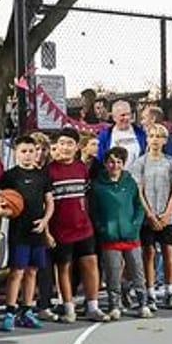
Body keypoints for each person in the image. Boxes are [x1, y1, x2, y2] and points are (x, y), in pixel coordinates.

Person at [0, 136, 53, 331]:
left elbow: (50, 202)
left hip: (36, 230)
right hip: (18, 231)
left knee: (32, 271)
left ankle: (27, 310)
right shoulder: (10, 176)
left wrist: (45, 221)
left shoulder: (42, 176)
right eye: (23, 151)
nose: (28, 155)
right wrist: (3, 210)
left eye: (31, 151)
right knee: (17, 271)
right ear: (16, 153)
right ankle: (9, 311)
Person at [91, 147, 149, 320]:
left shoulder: (130, 183)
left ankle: (143, 303)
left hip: (131, 236)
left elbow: (139, 206)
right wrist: (102, 229)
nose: (115, 165)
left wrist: (135, 226)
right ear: (105, 163)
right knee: (113, 273)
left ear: (123, 164)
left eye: (118, 162)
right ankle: (114, 305)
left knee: (137, 271)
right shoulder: (97, 186)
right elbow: (94, 211)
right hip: (110, 238)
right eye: (111, 162)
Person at [47, 129, 98, 323]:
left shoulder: (81, 168)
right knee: (64, 267)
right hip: (60, 229)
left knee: (90, 263)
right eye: (62, 143)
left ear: (77, 147)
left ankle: (92, 306)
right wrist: (47, 231)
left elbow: (85, 196)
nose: (65, 147)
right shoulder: (49, 171)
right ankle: (68, 307)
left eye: (70, 144)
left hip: (83, 226)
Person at [132, 129, 172, 311]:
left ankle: (169, 291)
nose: (155, 140)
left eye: (159, 137)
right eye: (152, 136)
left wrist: (168, 213)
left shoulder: (170, 162)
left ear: (165, 140)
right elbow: (139, 190)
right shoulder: (140, 162)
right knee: (149, 253)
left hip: (167, 216)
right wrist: (150, 214)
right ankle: (150, 293)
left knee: (168, 252)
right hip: (148, 216)